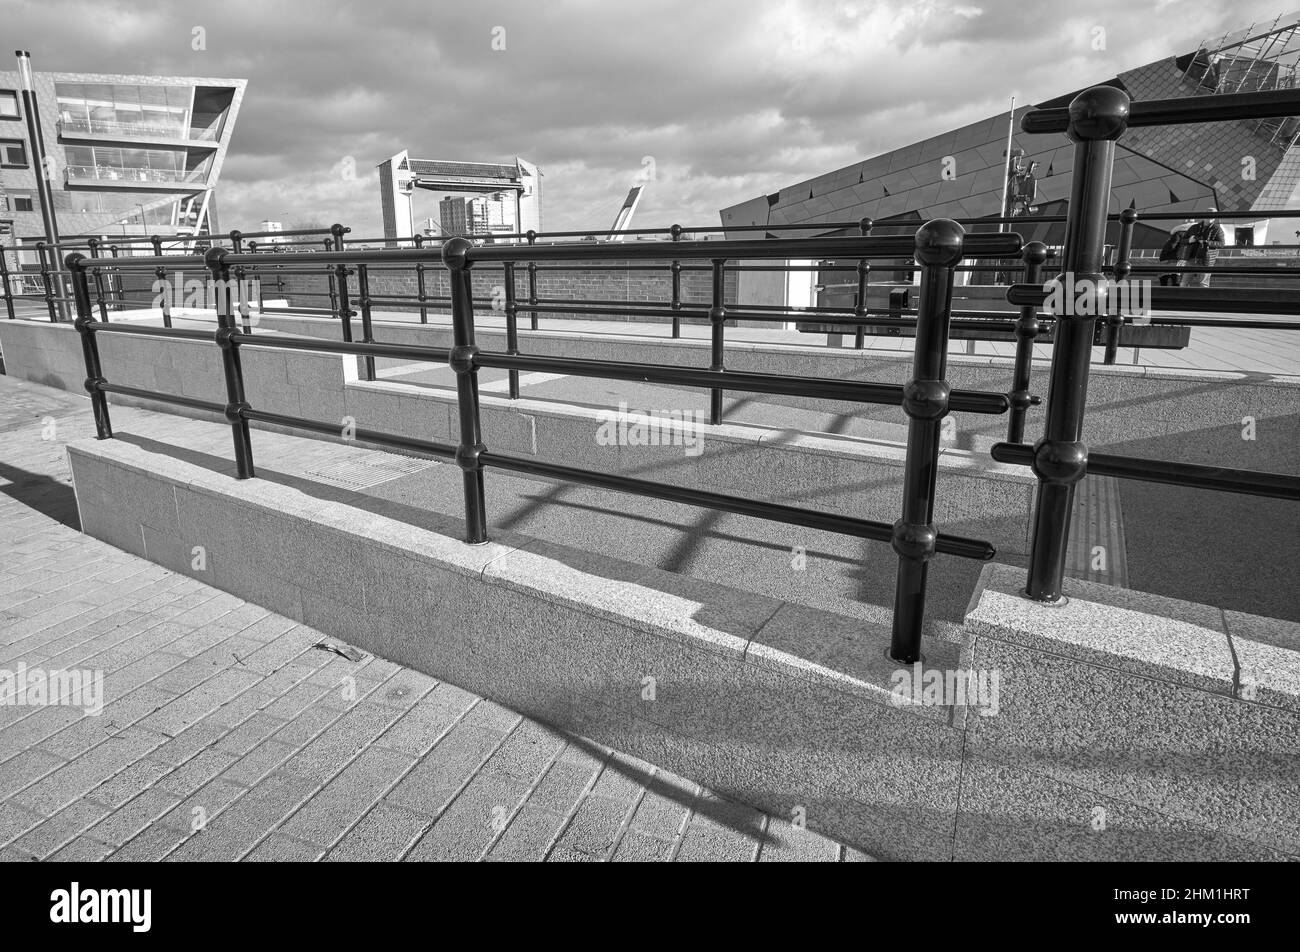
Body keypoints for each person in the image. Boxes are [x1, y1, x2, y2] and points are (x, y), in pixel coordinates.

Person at [1183, 209, 1225, 288]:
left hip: (1206, 260)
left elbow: (1222, 244)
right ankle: (1184, 299)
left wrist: (1207, 242)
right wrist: (1189, 240)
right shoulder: (1194, 227)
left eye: (1212, 216)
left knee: (1203, 285)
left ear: (1214, 218)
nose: (1209, 218)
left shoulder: (1217, 229)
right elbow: (1182, 240)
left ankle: (1204, 300)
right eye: (1208, 215)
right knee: (1183, 283)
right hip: (1192, 259)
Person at [1158, 221, 1192, 286]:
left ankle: (1163, 294)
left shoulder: (1178, 234)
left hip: (1170, 260)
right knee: (1178, 281)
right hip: (1182, 260)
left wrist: (1163, 255)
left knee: (1164, 281)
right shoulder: (1191, 235)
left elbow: (1171, 246)